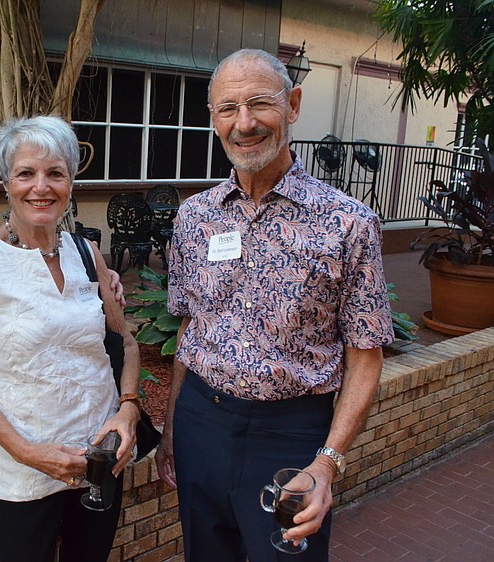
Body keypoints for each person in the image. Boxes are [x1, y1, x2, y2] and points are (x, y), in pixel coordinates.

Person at [154, 49, 393, 562]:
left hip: (290, 439)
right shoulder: (195, 217)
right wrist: (173, 427)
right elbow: (190, 327)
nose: (244, 124)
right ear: (213, 118)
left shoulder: (348, 223)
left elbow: (365, 355)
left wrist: (327, 463)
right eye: (227, 108)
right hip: (201, 423)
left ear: (293, 105)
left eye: (260, 103)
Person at [0, 115, 140, 562]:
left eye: (55, 173)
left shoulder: (86, 253)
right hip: (25, 469)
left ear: (71, 182)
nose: (41, 187)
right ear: (6, 182)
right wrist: (28, 452)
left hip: (101, 458)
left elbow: (125, 344)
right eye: (26, 173)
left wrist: (127, 412)